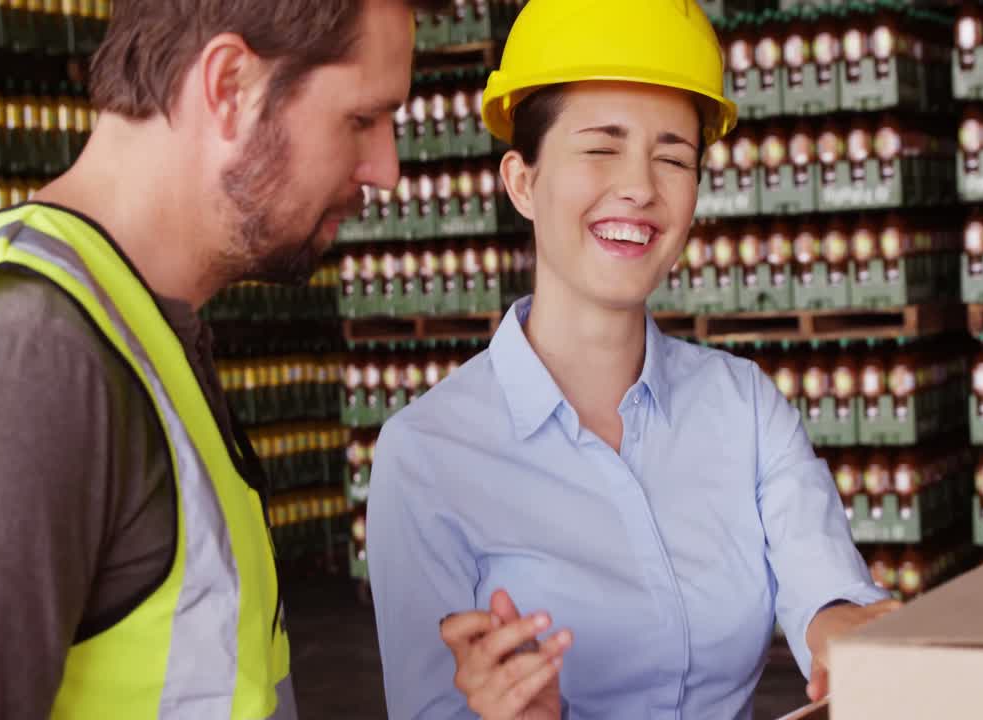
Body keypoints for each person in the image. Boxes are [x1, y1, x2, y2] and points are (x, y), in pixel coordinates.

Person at [366, 0, 901, 718]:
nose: (641, 187)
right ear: (522, 182)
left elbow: (823, 584)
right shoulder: (428, 456)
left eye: (672, 156)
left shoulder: (742, 406)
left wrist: (839, 628)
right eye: (600, 147)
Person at [0, 0, 439, 716]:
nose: (386, 169)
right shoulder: (23, 360)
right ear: (230, 86)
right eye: (361, 120)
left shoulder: (142, 327)